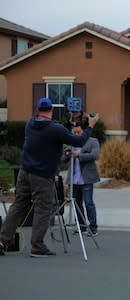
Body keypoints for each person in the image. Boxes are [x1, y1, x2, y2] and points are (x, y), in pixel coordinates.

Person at [0, 98, 99, 257]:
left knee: (19, 205)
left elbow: (55, 131)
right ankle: (37, 246)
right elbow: (78, 140)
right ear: (52, 110)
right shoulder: (55, 129)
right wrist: (91, 125)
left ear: (37, 110)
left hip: (24, 172)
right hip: (43, 175)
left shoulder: (30, 123)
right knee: (44, 208)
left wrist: (69, 124)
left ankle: (2, 240)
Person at [66, 123, 100, 237]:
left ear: (84, 132)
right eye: (74, 132)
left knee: (88, 203)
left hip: (86, 178)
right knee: (76, 204)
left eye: (78, 132)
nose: (76, 135)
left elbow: (95, 155)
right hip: (74, 179)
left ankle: (93, 227)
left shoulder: (92, 141)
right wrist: (66, 154)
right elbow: (63, 158)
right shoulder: (71, 142)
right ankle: (81, 226)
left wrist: (79, 155)